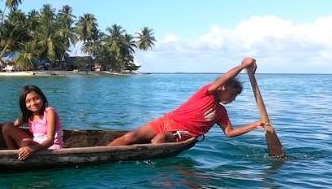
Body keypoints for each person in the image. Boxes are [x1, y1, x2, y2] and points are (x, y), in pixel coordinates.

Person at [108, 57, 266, 146]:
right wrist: (242, 66)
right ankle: (105, 150)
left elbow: (229, 133)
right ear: (223, 88)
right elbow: (226, 77)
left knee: (160, 139)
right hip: (166, 121)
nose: (233, 99)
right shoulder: (207, 93)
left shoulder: (221, 113)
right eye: (233, 94)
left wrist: (255, 125)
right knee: (131, 136)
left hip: (183, 134)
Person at [0, 85, 64, 160]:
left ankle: (19, 156)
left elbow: (50, 140)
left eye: (36, 99)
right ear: (24, 104)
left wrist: (31, 149)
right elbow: (12, 125)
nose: (33, 103)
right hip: (35, 145)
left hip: (50, 147)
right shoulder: (28, 115)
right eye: (28, 101)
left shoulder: (49, 112)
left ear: (42, 98)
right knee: (7, 127)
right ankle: (13, 155)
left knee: (26, 142)